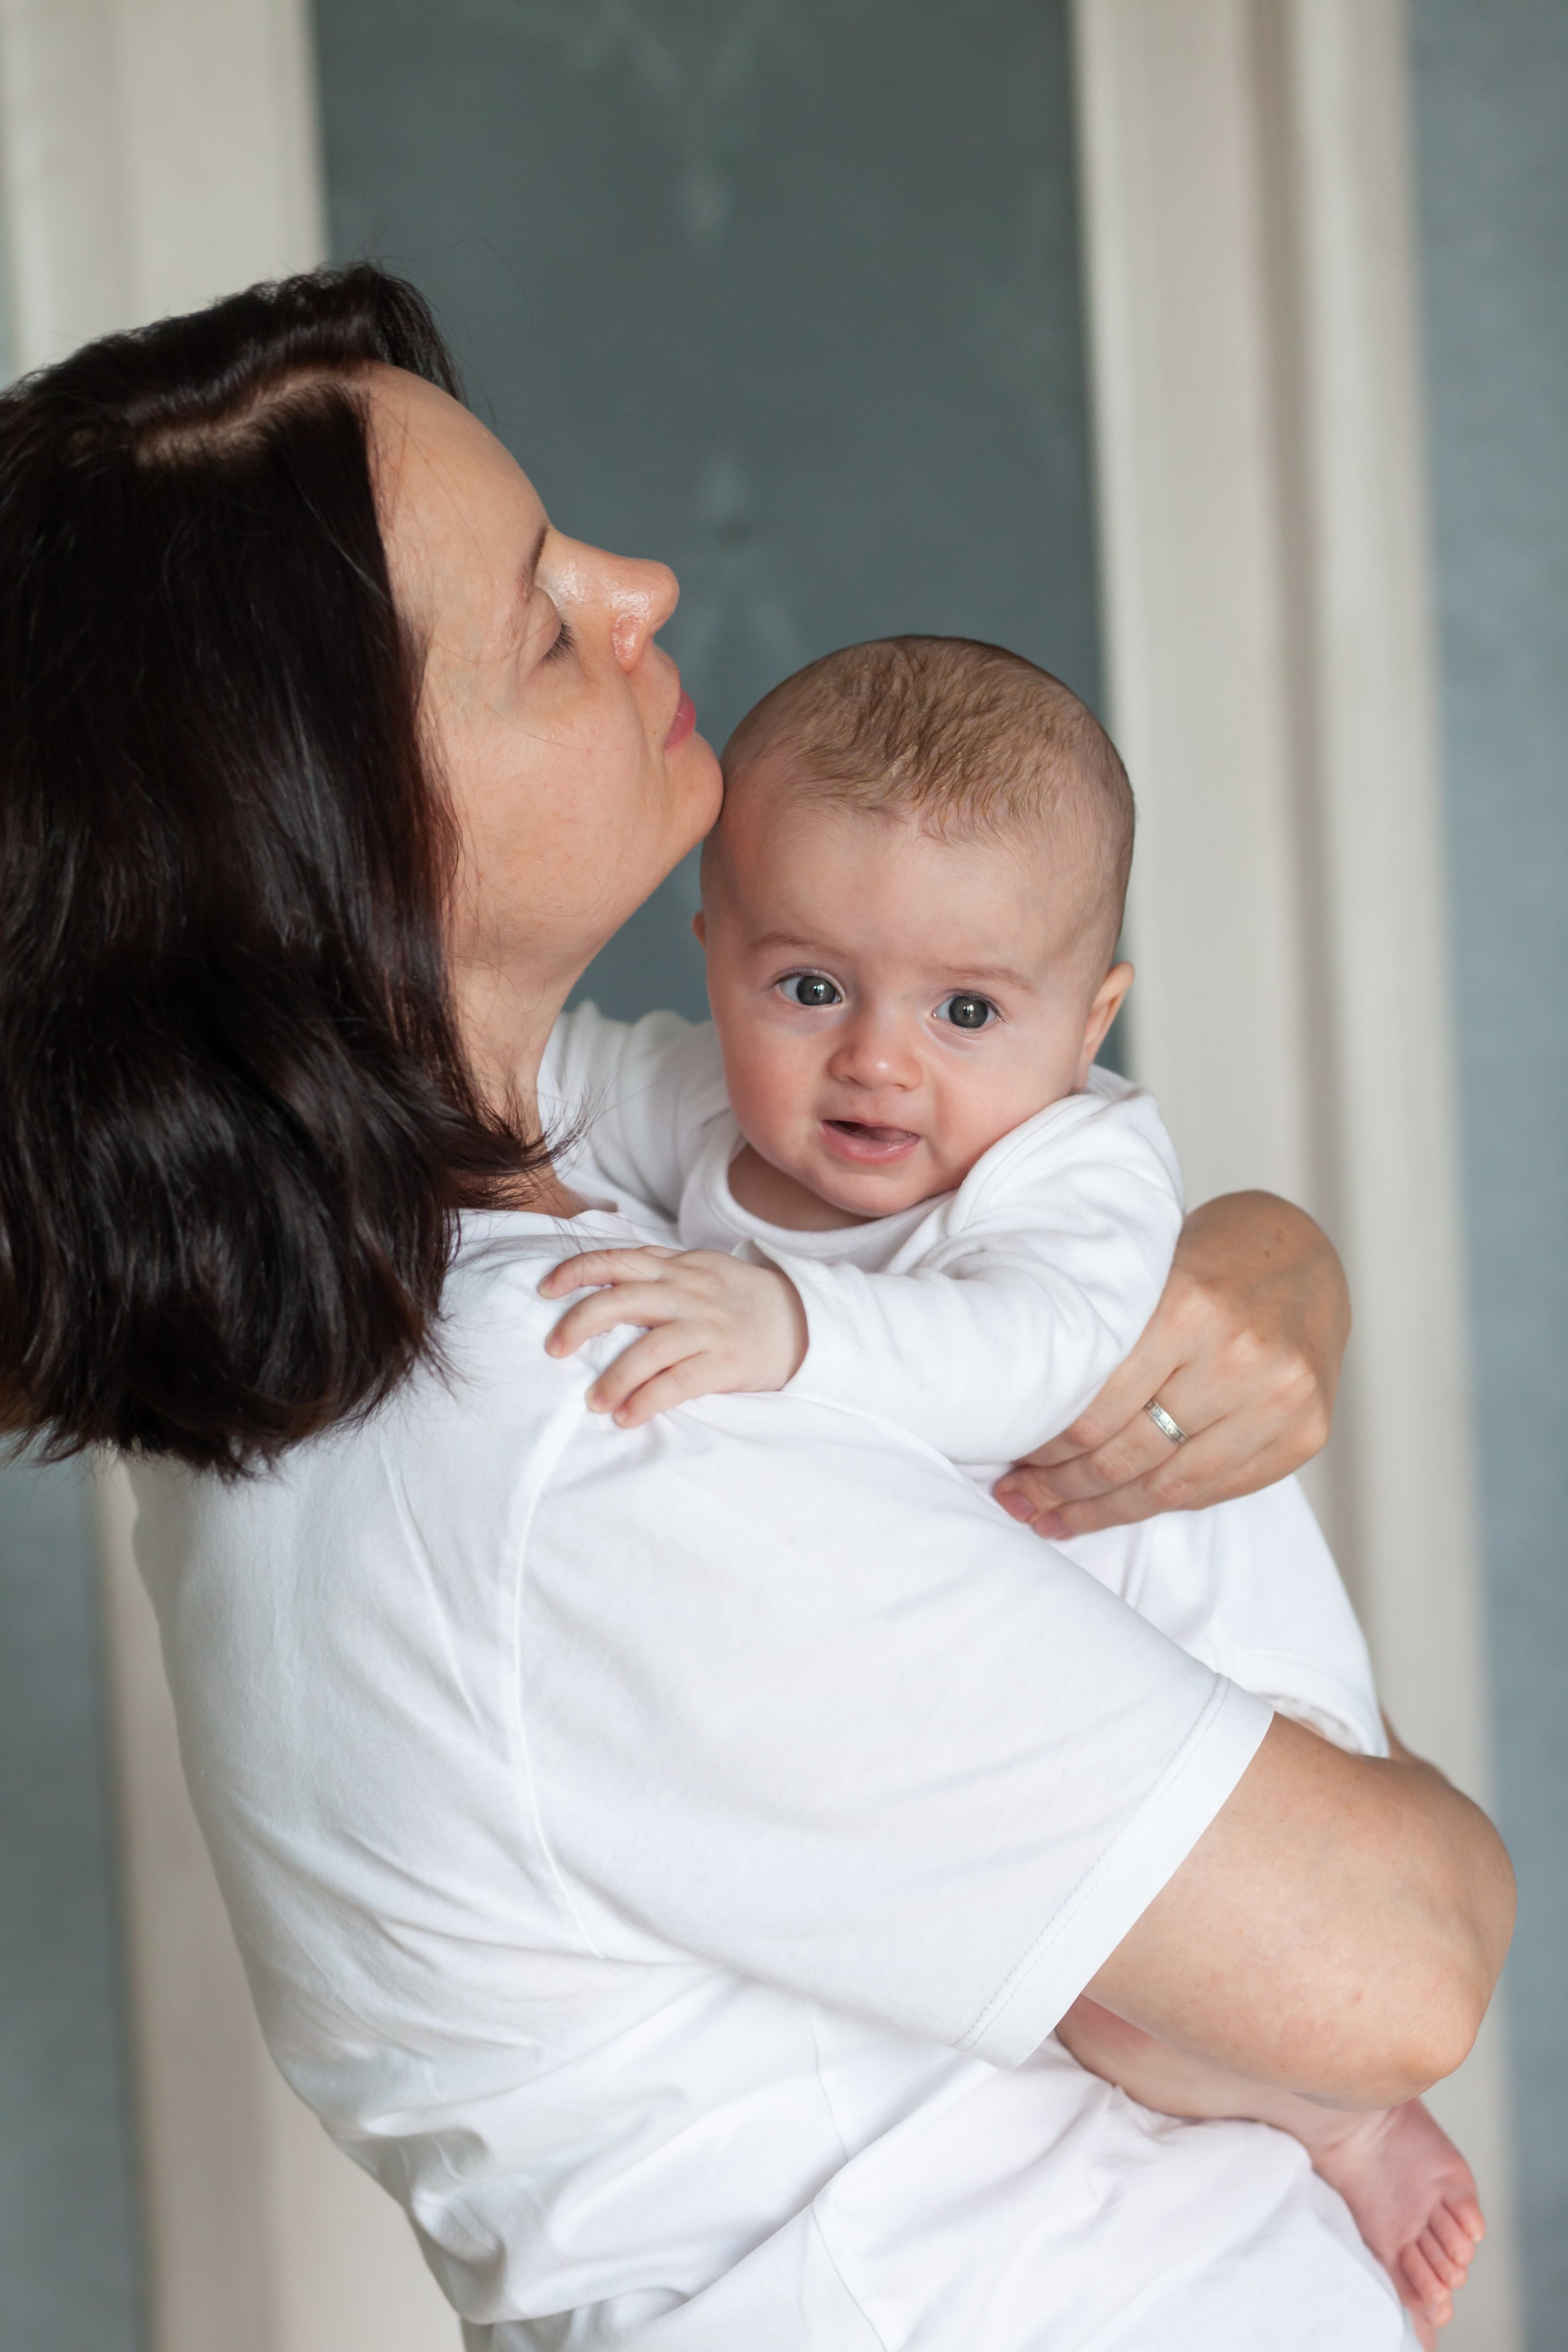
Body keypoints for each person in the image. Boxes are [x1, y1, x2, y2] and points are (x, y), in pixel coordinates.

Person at [0, 267, 1512, 2352]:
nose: (639, 589)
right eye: (541, 615)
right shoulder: (591, 1413)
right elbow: (1405, 1963)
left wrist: (1247, 1252)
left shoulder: (452, 1272)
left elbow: (1037, 1227)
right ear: (330, 831)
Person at [530, 635, 1482, 2327]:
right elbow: (529, 1088)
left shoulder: (1078, 1165)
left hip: (1227, 1684)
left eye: (969, 1010)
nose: (881, 1061)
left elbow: (1031, 1355)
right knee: (1036, 1989)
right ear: (716, 952)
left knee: (1135, 1997)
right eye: (808, 986)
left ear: (1093, 1012)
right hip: (1050, 1720)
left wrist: (785, 1323)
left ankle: (1340, 2115)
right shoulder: (696, 1106)